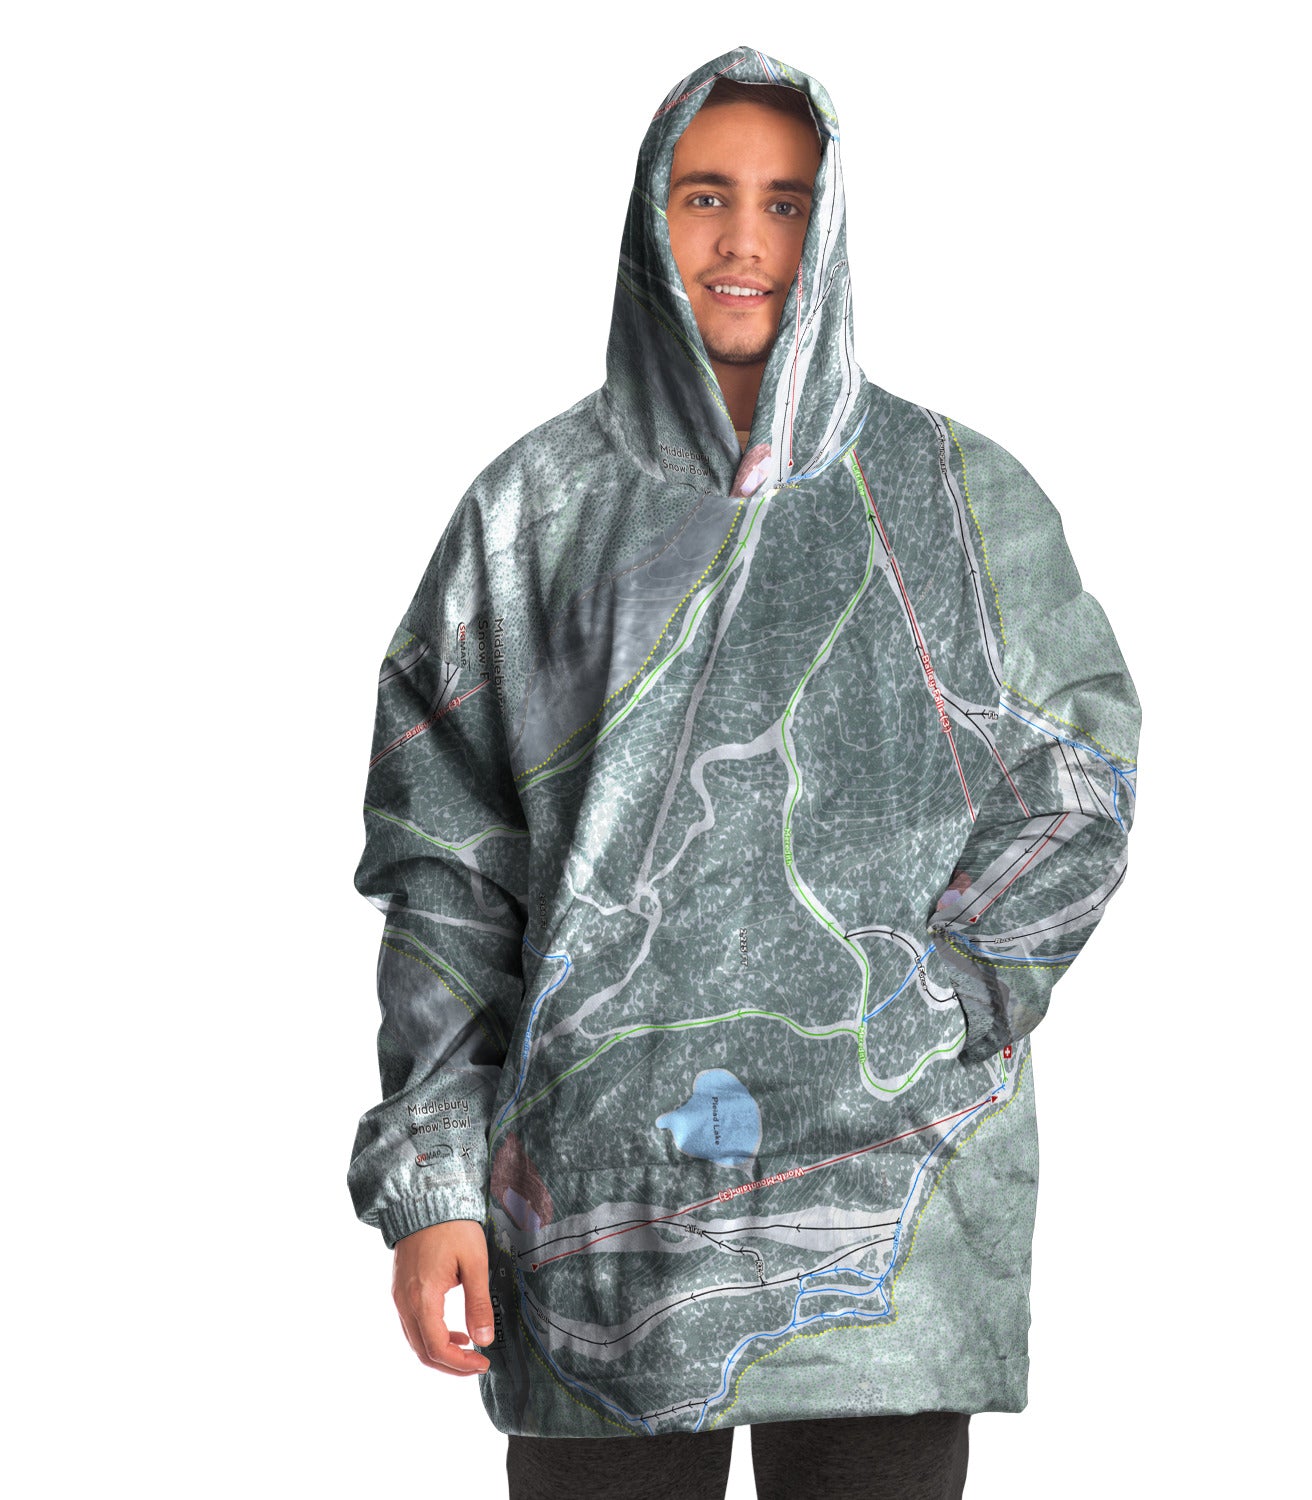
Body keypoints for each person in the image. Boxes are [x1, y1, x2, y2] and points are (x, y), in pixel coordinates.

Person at [347, 45, 1141, 1500]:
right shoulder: (531, 512)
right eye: (707, 196)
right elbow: (447, 871)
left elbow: (1076, 781)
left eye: (786, 203)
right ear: (650, 216)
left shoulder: (961, 497)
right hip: (593, 1213)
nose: (743, 241)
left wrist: (944, 1004)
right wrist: (434, 1185)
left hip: (886, 1214)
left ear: (828, 227)